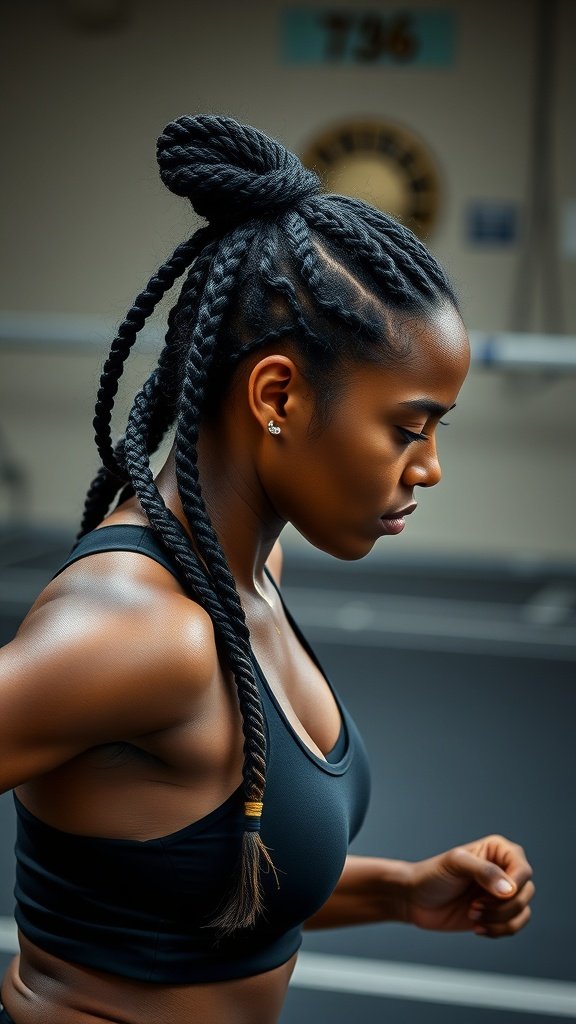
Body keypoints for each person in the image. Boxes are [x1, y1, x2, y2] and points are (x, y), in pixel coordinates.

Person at [0, 115, 534, 1024]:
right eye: (410, 427)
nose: (429, 466)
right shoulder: (143, 629)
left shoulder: (250, 569)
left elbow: (204, 887)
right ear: (278, 395)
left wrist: (404, 890)